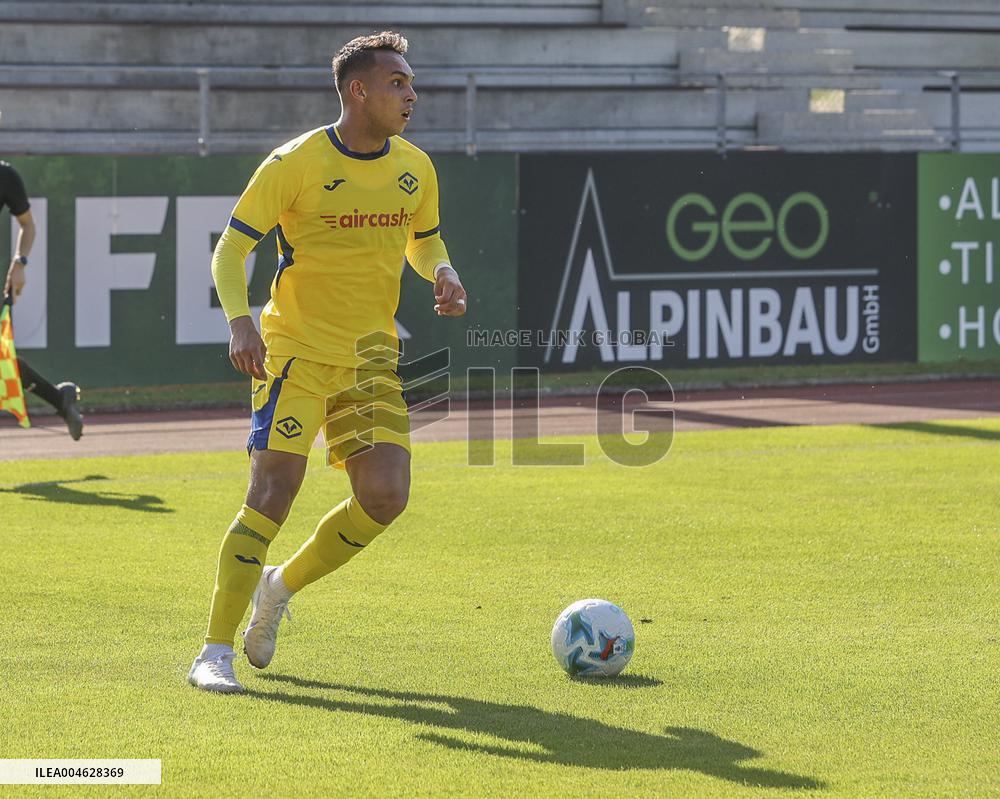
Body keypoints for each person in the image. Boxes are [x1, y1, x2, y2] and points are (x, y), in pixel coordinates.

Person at [188, 32, 468, 693]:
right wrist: (240, 321)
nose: (412, 93)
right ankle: (213, 651)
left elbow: (422, 242)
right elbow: (231, 250)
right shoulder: (297, 162)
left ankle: (279, 586)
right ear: (358, 90)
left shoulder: (416, 168)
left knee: (385, 496)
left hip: (370, 356)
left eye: (411, 82)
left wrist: (444, 269)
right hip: (296, 353)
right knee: (271, 492)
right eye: (397, 82)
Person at [1, 160, 83, 440]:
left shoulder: (5, 176)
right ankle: (60, 398)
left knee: (3, 362)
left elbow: (28, 225)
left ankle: (60, 398)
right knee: (3, 363)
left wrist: (19, 262)